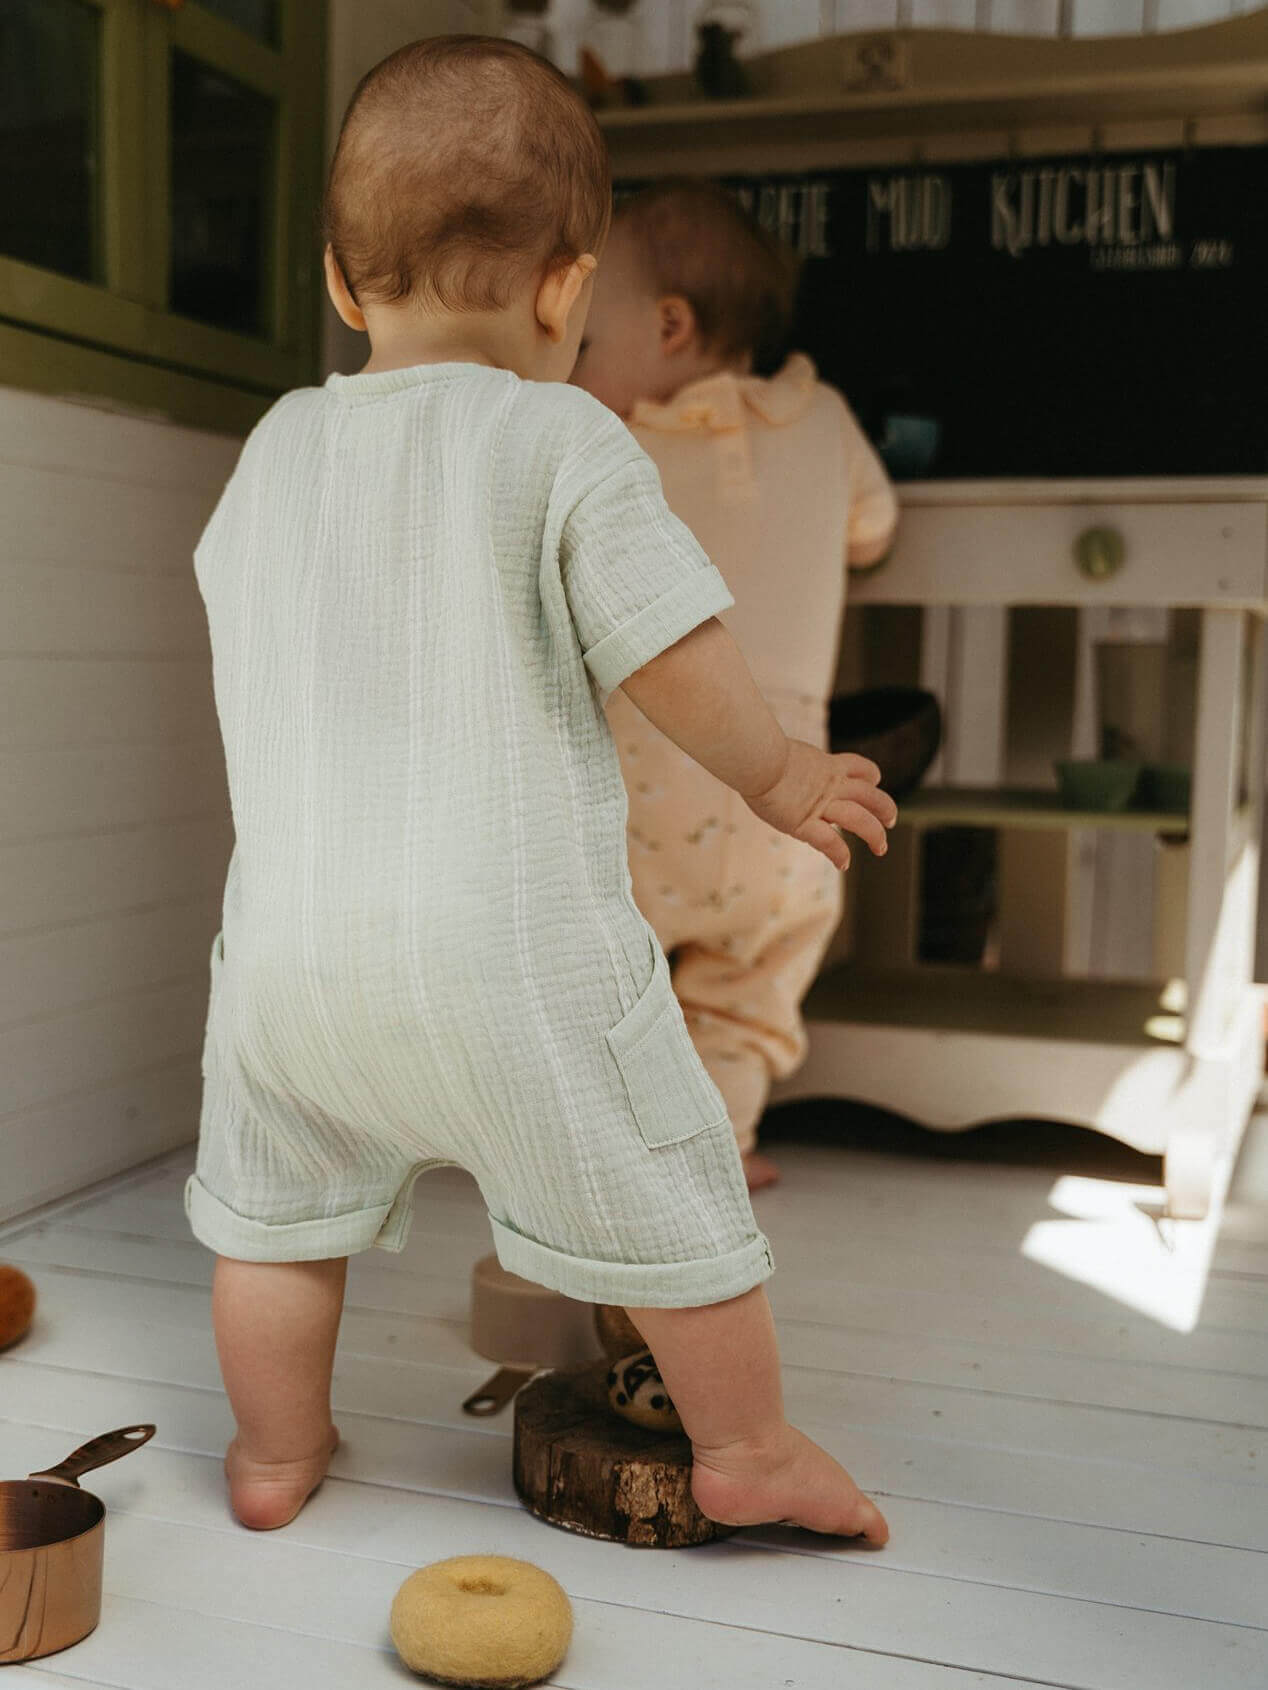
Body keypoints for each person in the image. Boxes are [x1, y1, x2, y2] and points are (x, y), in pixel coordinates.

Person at [188, 36, 894, 1545]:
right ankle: (750, 1443)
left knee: (275, 1219)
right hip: (509, 956)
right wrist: (777, 770)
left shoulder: (273, 452)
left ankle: (271, 1446)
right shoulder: (558, 434)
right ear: (571, 294)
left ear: (337, 278)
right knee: (662, 1174)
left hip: (287, 970)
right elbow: (671, 646)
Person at [574, 182, 898, 1190]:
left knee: (600, 977)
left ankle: (601, 1151)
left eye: (584, 346)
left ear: (667, 328)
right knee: (751, 979)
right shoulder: (829, 419)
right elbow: (873, 531)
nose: (568, 369)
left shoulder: (603, 445)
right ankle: (723, 1140)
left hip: (641, 780)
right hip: (789, 796)